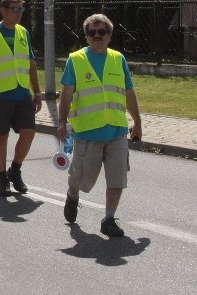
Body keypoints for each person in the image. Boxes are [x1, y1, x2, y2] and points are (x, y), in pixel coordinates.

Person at [57, 14, 142, 237]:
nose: (97, 36)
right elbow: (66, 94)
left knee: (117, 178)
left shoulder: (118, 59)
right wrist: (61, 122)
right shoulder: (75, 59)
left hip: (116, 131)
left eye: (101, 32)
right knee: (81, 179)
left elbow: (129, 92)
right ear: (86, 36)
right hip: (87, 131)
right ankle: (73, 195)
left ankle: (109, 219)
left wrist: (137, 122)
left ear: (110, 35)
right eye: (92, 33)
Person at [0, 0, 42, 196]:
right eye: (15, 9)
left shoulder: (23, 33)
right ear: (3, 11)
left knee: (28, 133)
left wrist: (37, 92)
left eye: (22, 10)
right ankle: (2, 177)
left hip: (22, 94)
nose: (19, 14)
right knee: (1, 136)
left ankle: (15, 169)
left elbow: (31, 63)